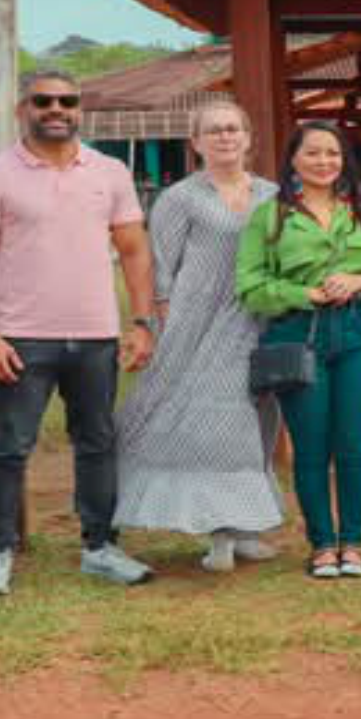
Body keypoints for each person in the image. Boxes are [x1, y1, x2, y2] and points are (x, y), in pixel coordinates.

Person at [0, 66, 159, 596]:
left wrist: (142, 322)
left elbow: (134, 250)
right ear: (22, 109)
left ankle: (100, 548)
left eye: (67, 101)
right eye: (43, 101)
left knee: (98, 443)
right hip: (20, 337)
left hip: (95, 335)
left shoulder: (110, 172)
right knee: (10, 448)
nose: (56, 110)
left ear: (79, 109)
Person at [115, 97, 284, 574]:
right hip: (196, 322)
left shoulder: (273, 194)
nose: (225, 136)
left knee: (254, 419)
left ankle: (245, 527)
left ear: (248, 138)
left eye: (233, 128)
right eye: (214, 130)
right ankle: (219, 532)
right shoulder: (181, 198)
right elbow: (161, 267)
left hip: (257, 318)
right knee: (211, 422)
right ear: (196, 142)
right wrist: (162, 323)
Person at [238, 119, 361, 579]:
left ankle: (354, 542)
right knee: (311, 446)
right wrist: (306, 294)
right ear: (293, 160)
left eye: (332, 153)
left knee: (353, 444)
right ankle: (322, 544)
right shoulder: (270, 217)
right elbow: (250, 287)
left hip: (356, 335)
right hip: (297, 335)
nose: (324, 161)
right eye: (313, 153)